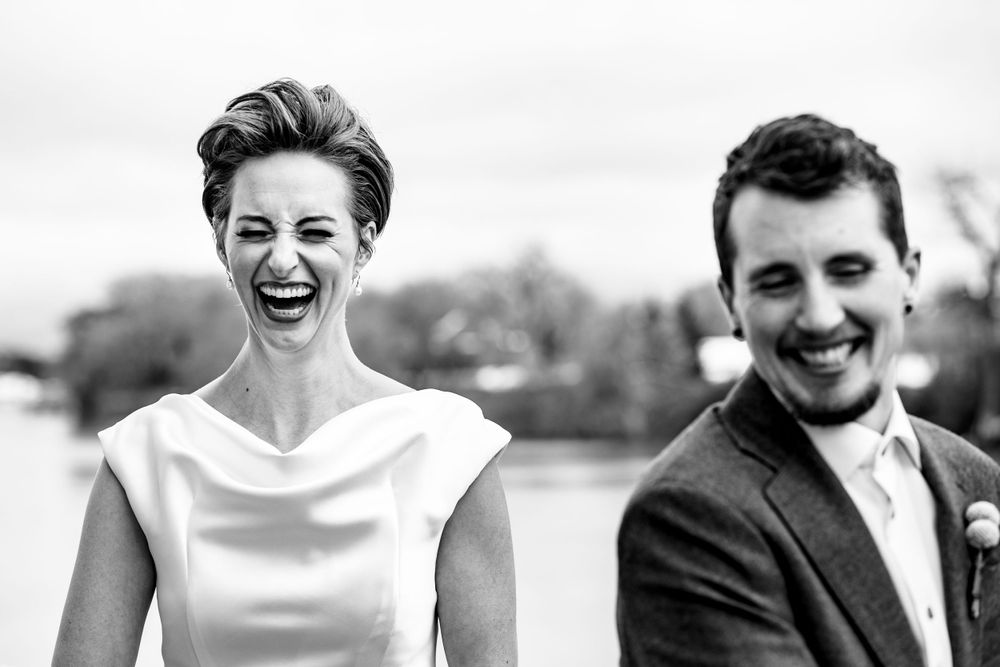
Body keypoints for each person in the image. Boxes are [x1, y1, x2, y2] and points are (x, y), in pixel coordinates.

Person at [53, 79, 517, 667]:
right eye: (254, 231)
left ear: (364, 244)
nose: (281, 258)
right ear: (222, 245)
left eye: (315, 232)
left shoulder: (450, 449)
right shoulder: (146, 455)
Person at [617, 114, 1000, 666]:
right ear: (731, 303)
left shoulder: (976, 481)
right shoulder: (688, 517)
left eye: (848, 270)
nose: (820, 317)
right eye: (778, 282)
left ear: (910, 276)